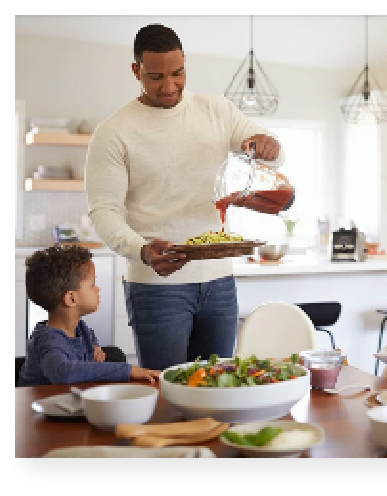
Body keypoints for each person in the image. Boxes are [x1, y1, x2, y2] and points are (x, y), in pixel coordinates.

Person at [85, 23, 284, 371]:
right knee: (166, 389)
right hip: (156, 285)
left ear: (185, 64)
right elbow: (105, 212)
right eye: (155, 77)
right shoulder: (113, 132)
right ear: (136, 71)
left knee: (220, 385)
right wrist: (142, 251)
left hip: (219, 280)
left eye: (178, 74)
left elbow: (271, 152)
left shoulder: (216, 110)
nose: (169, 86)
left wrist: (269, 144)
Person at [17, 245, 160, 387]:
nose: (97, 289)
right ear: (71, 299)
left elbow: (90, 339)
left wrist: (95, 347)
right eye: (92, 284)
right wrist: (128, 371)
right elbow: (64, 373)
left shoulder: (79, 327)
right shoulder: (48, 341)